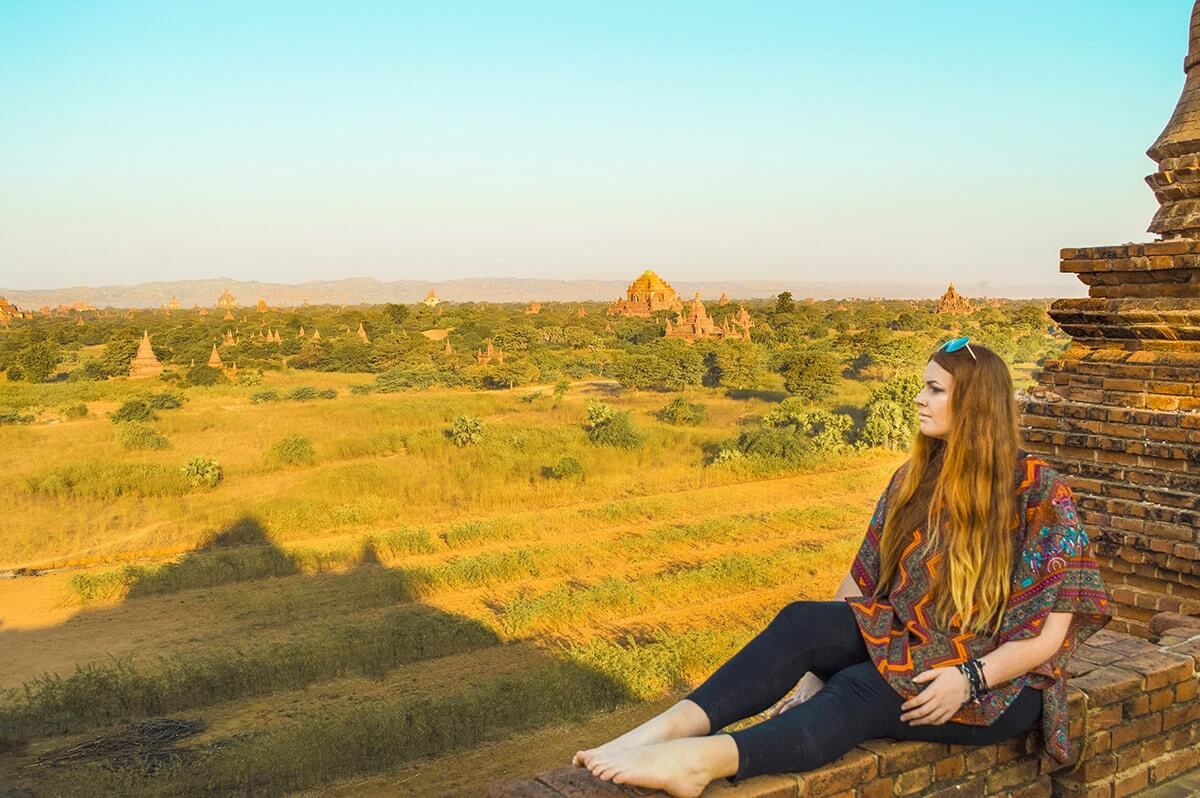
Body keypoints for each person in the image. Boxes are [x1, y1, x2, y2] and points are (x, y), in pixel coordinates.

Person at [572, 338, 1113, 798]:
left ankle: (700, 763)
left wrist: (968, 680)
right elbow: (860, 584)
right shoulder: (913, 479)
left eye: (935, 390)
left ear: (974, 403)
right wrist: (813, 668)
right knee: (803, 623)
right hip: (915, 641)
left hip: (998, 683)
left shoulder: (1037, 492)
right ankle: (666, 730)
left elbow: (1048, 637)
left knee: (860, 689)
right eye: (923, 387)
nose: (919, 399)